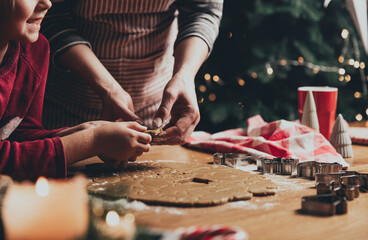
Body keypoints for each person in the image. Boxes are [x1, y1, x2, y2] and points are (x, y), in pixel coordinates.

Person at [0, 0, 152, 181]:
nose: (47, 3)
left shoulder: (35, 49)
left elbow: (17, 135)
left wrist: (85, 130)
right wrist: (94, 141)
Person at [41, 0, 223, 145]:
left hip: (156, 106)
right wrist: (107, 88)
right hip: (65, 110)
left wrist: (184, 75)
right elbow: (52, 15)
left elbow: (202, 11)